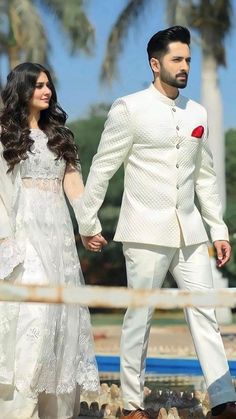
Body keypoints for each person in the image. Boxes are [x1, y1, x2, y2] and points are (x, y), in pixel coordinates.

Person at [76, 26, 236, 419]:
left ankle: (223, 399)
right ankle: (132, 404)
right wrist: (87, 219)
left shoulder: (196, 112)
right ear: (155, 63)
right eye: (176, 60)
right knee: (139, 315)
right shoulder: (129, 108)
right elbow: (103, 168)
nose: (184, 67)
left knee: (205, 311)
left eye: (187, 60)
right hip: (144, 230)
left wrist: (218, 229)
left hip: (191, 232)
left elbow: (204, 178)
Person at [0, 62, 101, 419]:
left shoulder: (60, 136)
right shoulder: (4, 135)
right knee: (36, 315)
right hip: (24, 234)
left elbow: (74, 185)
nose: (46, 91)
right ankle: (19, 409)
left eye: (48, 85)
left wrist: (88, 225)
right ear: (21, 90)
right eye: (38, 85)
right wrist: (4, 239)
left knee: (61, 315)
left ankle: (53, 410)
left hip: (58, 237)